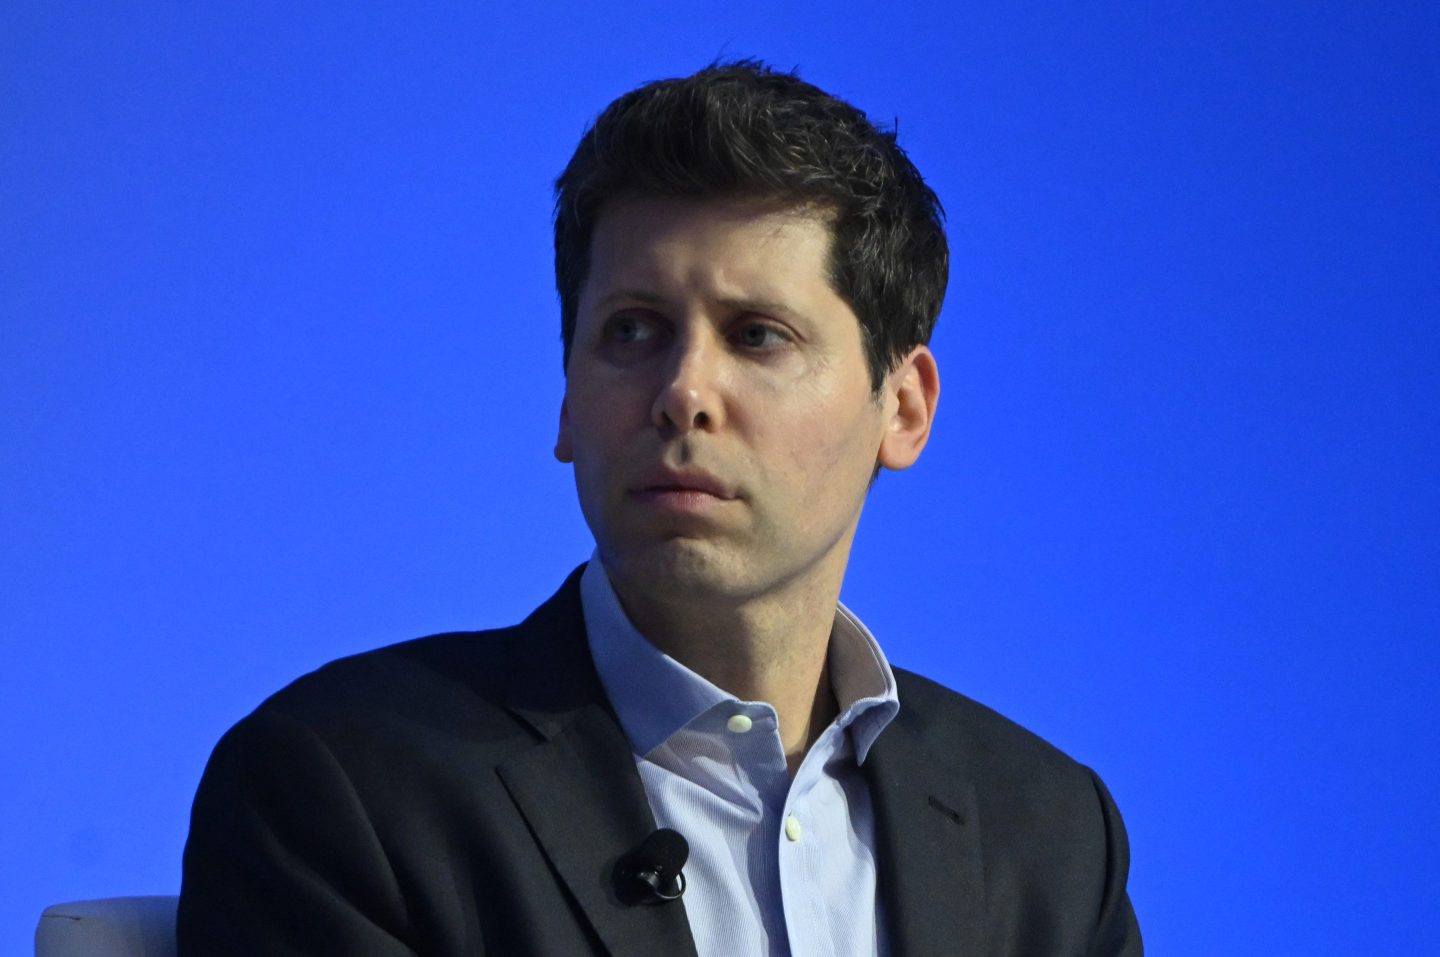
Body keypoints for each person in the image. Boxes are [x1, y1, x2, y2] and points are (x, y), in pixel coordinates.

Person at [178, 60, 1142, 956]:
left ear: (904, 406)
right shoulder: (341, 790)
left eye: (758, 335)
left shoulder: (1051, 837)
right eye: (631, 331)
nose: (684, 391)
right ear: (566, 396)